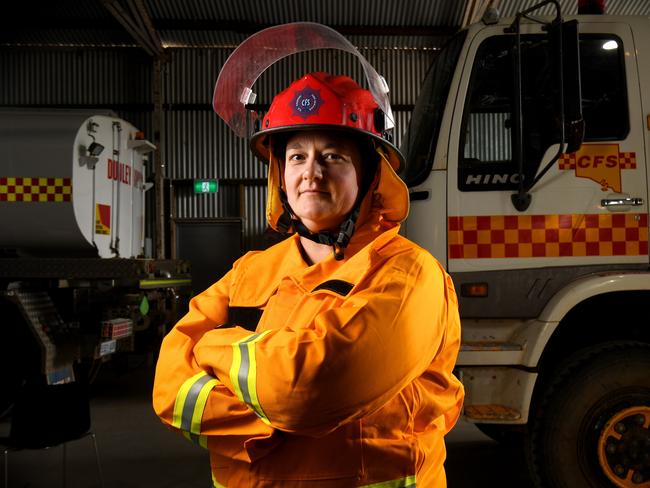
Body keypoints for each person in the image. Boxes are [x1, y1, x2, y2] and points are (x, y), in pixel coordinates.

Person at [153, 67, 464, 486]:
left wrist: (211, 346)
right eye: (297, 156)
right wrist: (270, 420)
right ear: (280, 174)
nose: (311, 173)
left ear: (370, 175)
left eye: (333, 156)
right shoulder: (250, 271)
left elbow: (314, 388)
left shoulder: (409, 275)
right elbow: (169, 388)